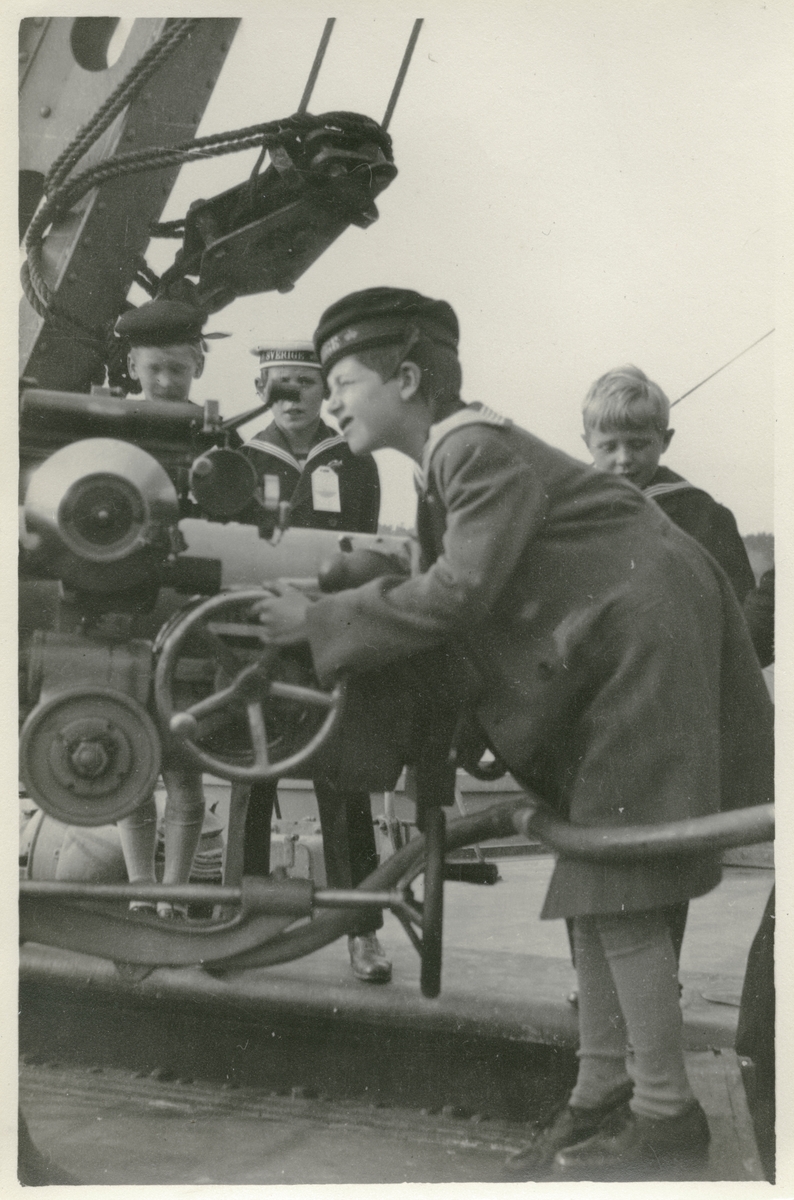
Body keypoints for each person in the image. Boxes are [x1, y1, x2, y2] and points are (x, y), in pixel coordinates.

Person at [252, 287, 774, 1181]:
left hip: (639, 650)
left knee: (623, 884)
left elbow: (460, 593)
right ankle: (604, 1091)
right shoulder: (452, 456)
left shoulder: (471, 448)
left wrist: (321, 622)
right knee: (598, 883)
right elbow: (457, 570)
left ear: (408, 379)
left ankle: (664, 1117)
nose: (332, 400)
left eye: (344, 380)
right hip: (618, 648)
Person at [240, 341, 391, 983]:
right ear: (262, 387)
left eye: (306, 383)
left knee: (345, 777)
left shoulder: (354, 458)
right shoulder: (241, 459)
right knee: (253, 773)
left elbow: (362, 552)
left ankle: (361, 932)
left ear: (324, 391)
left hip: (330, 635)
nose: (294, 395)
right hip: (262, 636)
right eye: (281, 384)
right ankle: (239, 922)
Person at [112, 297, 211, 916]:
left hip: (187, 614)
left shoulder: (214, 432)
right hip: (121, 610)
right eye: (155, 369)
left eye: (179, 368)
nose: (168, 382)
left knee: (183, 767)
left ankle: (173, 891)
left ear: (198, 363)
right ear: (133, 364)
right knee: (125, 758)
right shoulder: (107, 423)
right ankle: (140, 891)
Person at [582, 365, 755, 603]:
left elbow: (734, 610)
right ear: (587, 444)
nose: (624, 459)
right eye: (609, 447)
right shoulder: (570, 508)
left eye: (638, 445)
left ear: (665, 440)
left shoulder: (703, 517)